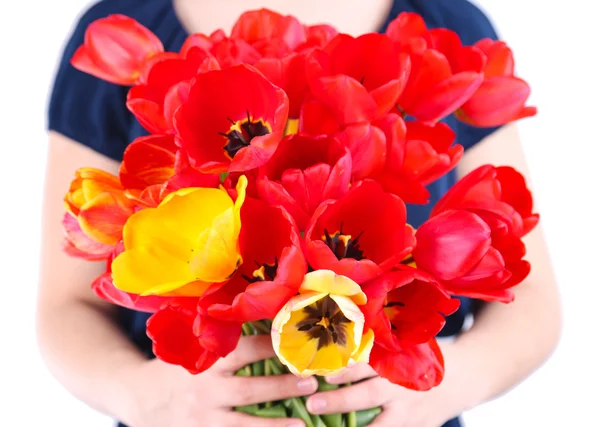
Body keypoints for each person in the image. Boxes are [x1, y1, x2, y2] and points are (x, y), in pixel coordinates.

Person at [37, 0, 562, 426]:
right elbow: (64, 305)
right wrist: (142, 396)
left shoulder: (448, 25)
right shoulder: (137, 26)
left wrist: (444, 386)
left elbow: (532, 299)